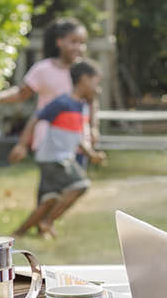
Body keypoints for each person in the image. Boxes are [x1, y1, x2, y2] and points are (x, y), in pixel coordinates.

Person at [7, 61, 106, 238]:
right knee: (81, 185)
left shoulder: (80, 106)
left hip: (57, 157)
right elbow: (36, 118)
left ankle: (18, 233)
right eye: (96, 83)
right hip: (55, 158)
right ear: (84, 80)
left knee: (48, 200)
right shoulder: (62, 102)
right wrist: (22, 145)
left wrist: (91, 155)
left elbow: (77, 138)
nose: (98, 89)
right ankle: (47, 222)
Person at [0, 17, 99, 158]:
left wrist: (93, 128)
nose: (79, 47)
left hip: (78, 142)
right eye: (74, 42)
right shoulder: (43, 69)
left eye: (82, 43)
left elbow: (92, 101)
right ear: (59, 42)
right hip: (49, 142)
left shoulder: (84, 72)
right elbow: (22, 93)